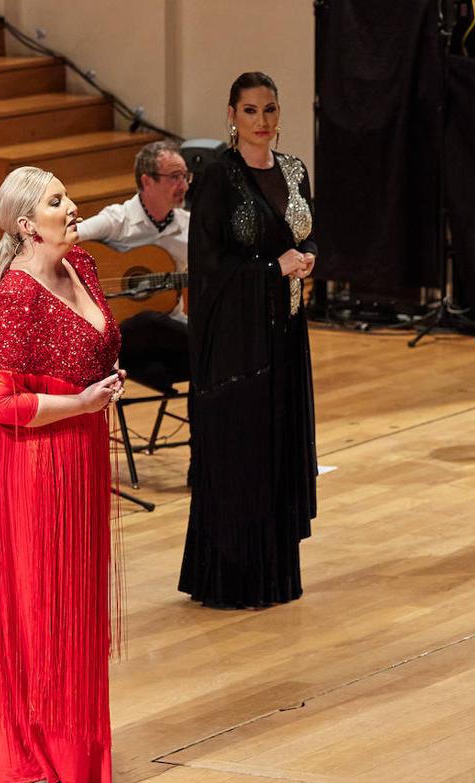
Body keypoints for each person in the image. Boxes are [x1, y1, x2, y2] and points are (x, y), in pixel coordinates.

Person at [0, 166, 125, 783]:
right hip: (38, 471)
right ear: (26, 224)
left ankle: (69, 747)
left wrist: (100, 388)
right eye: (57, 201)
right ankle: (30, 756)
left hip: (80, 457)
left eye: (68, 194)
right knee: (39, 609)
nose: (73, 206)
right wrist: (80, 404)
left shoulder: (80, 263)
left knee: (73, 606)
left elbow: (95, 348)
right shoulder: (17, 294)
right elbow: (0, 402)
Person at [179, 71, 317, 607]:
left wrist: (306, 258)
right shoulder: (218, 177)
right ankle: (233, 578)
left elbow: (304, 232)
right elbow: (208, 267)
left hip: (286, 332)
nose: (262, 121)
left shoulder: (294, 170)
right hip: (237, 342)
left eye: (270, 109)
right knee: (243, 452)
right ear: (231, 115)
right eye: (251, 111)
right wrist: (270, 268)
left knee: (279, 446)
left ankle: (276, 573)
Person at [77, 139, 191, 391]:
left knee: (220, 348)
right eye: (174, 177)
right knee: (148, 320)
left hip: (170, 336)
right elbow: (65, 238)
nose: (182, 185)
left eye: (185, 176)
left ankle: (204, 430)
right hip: (121, 336)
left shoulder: (191, 227)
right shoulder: (118, 220)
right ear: (147, 180)